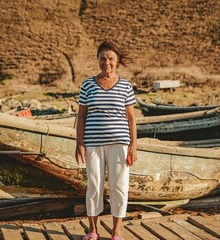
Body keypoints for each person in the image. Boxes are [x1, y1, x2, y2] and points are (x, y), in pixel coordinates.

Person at [75, 40, 137, 240]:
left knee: (119, 186)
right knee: (94, 184)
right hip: (93, 143)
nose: (106, 62)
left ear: (117, 61)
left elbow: (131, 118)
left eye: (111, 58)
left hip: (120, 144)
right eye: (103, 58)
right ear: (98, 60)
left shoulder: (126, 86)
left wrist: (133, 146)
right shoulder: (87, 85)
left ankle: (116, 231)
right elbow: (82, 116)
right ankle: (93, 230)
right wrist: (80, 143)